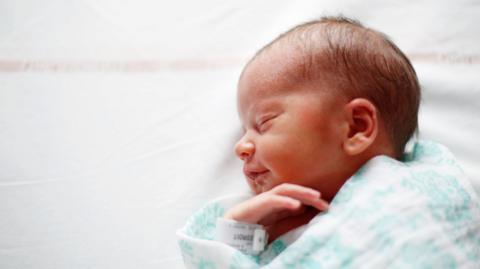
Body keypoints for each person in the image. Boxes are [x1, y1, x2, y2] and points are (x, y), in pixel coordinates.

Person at [177, 16, 480, 268]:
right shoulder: (280, 232)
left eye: (263, 123)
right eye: (243, 130)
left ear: (356, 127)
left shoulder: (421, 191)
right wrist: (234, 233)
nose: (240, 147)